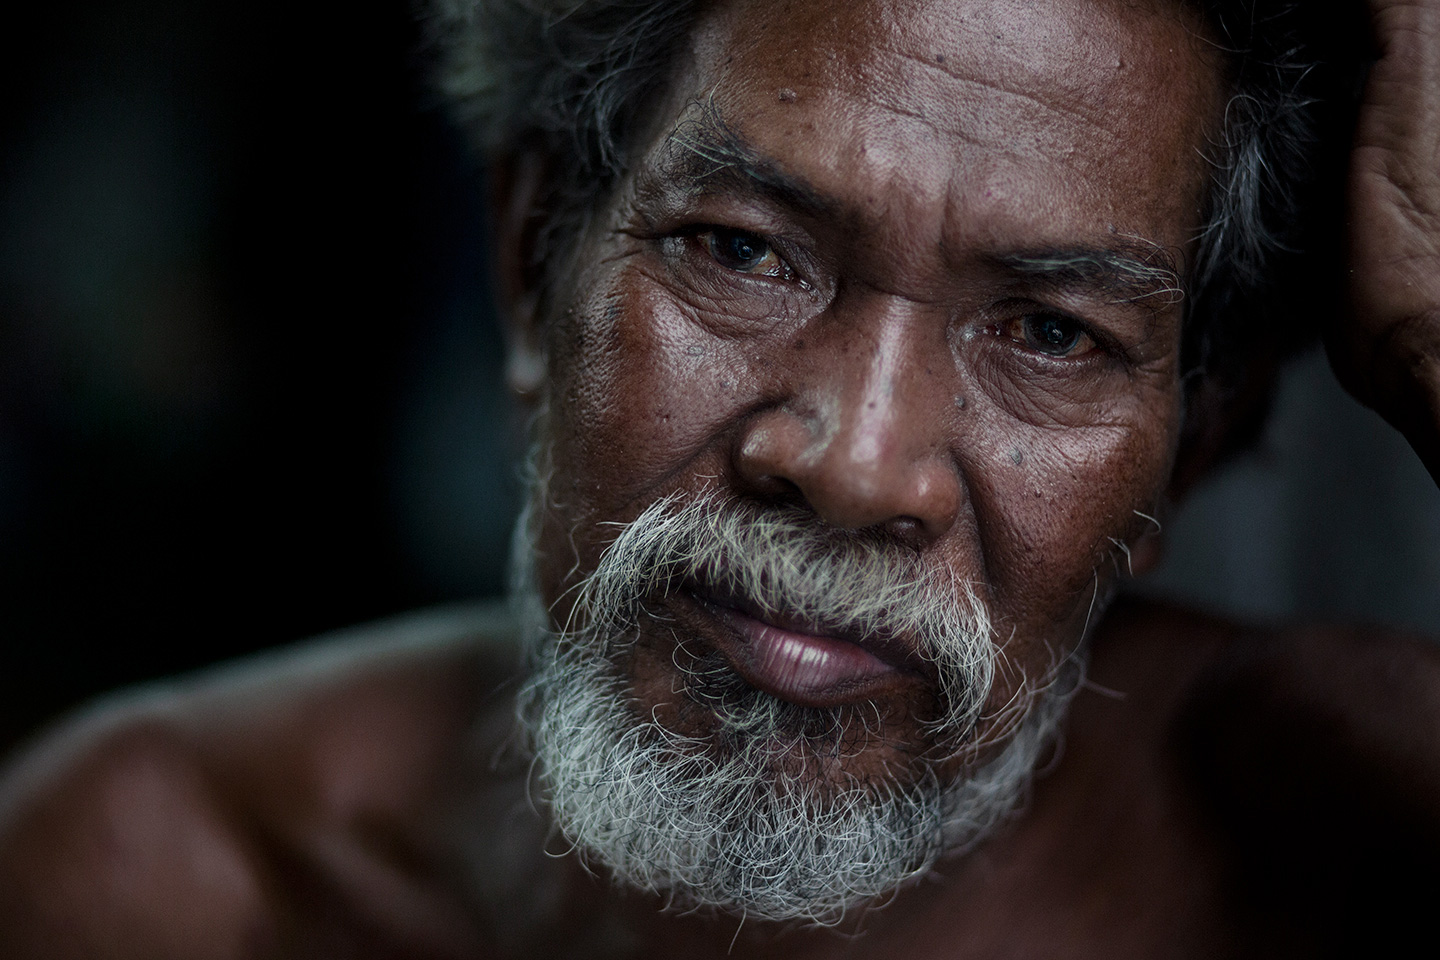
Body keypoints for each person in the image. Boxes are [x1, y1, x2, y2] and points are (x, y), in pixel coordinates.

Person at [2, 0, 1438, 955]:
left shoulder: (1329, 834)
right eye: (742, 250)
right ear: (529, 264)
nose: (859, 463)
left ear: (1195, 443)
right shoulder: (169, 873)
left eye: (1051, 334)